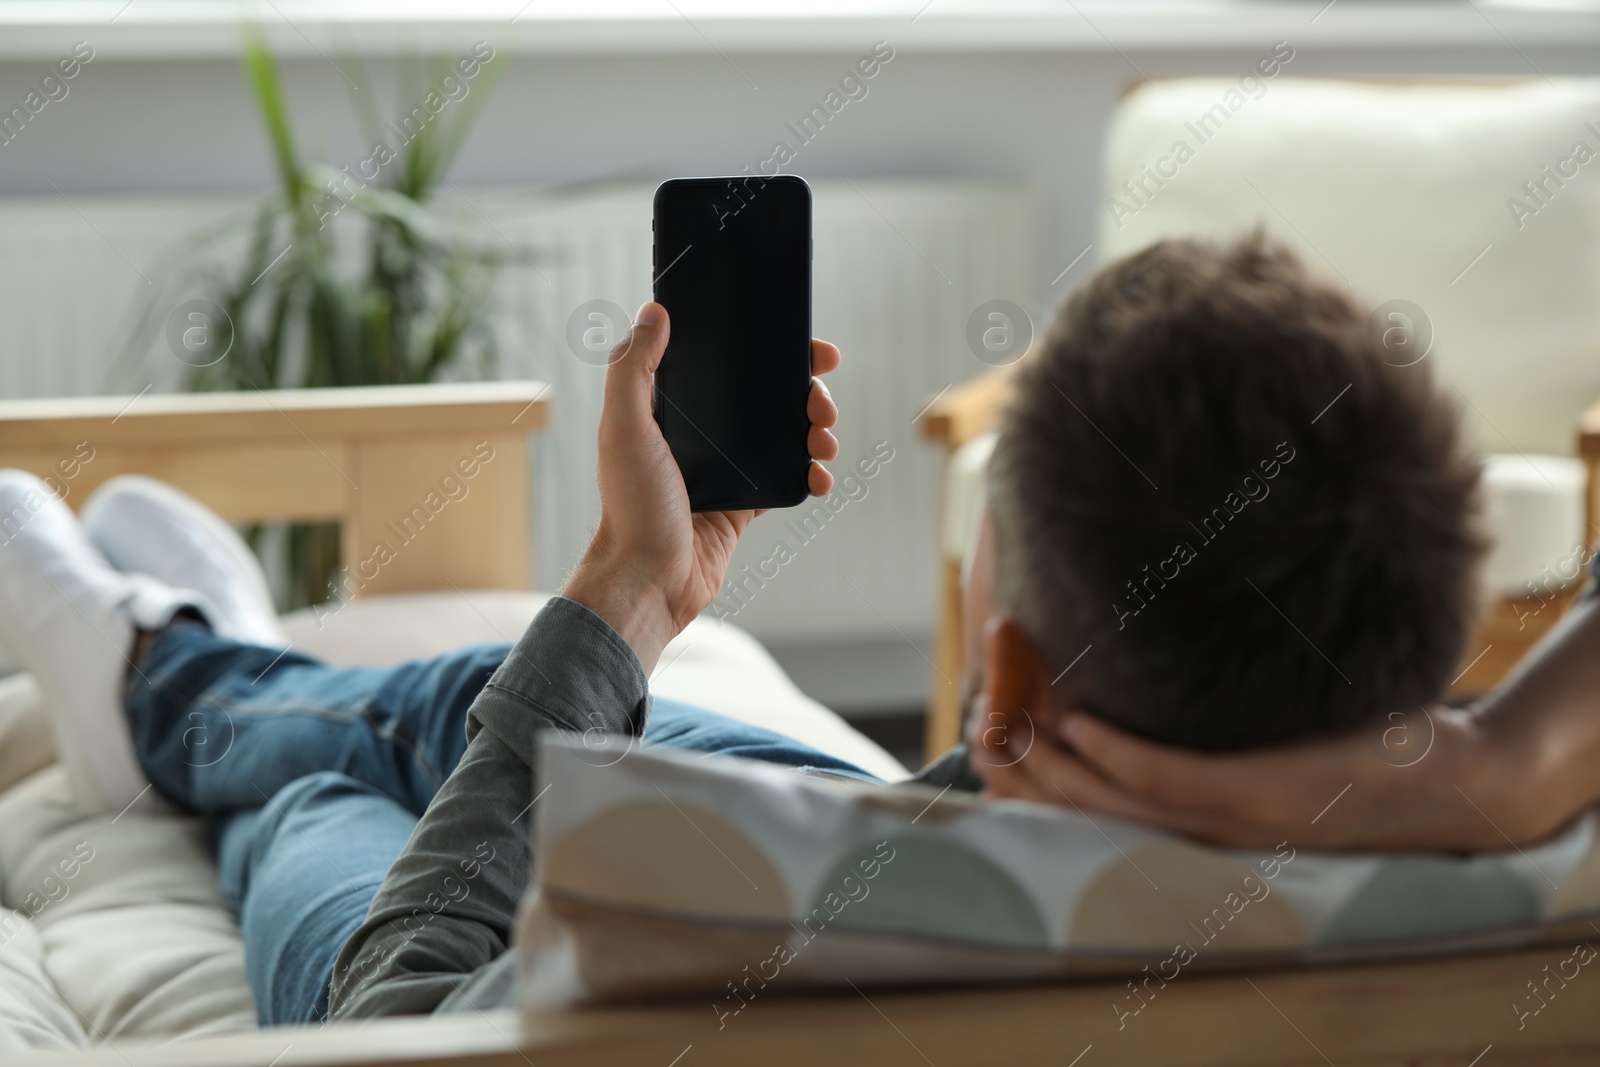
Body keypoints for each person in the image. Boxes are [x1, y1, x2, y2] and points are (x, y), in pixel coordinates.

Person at [0, 234, 1581, 1026]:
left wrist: (626, 589)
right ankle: (178, 662)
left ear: (1005, 678)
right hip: (927, 817)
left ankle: (175, 681)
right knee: (486, 700)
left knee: (338, 796)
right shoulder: (1515, 849)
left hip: (882, 846)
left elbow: (400, 1017)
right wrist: (1505, 764)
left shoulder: (794, 965)